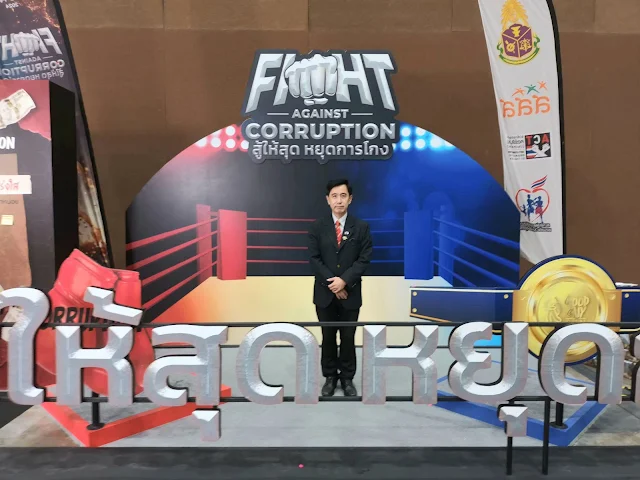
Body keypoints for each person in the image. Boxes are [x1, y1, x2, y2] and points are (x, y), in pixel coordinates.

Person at [308, 179, 373, 396]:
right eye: (334, 196)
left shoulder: (361, 227)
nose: (339, 201)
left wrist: (344, 281)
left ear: (350, 199)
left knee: (348, 337)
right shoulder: (317, 227)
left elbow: (364, 259)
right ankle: (329, 377)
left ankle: (347, 379)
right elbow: (314, 259)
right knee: (327, 336)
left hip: (350, 293)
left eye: (343, 196)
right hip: (324, 294)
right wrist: (334, 284)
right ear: (327, 200)